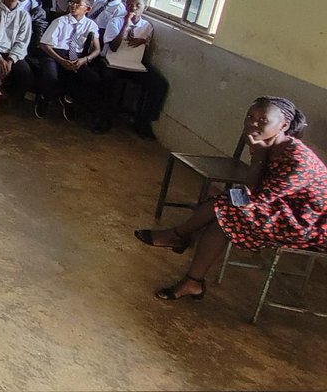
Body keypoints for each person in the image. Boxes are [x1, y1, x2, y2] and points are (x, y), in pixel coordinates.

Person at [134, 97, 325, 302]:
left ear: (284, 125)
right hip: (279, 207)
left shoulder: (297, 160)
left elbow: (253, 197)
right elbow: (250, 194)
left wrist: (258, 158)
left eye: (263, 120)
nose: (253, 123)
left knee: (224, 210)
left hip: (308, 225)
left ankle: (179, 238)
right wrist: (258, 156)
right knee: (223, 215)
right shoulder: (269, 144)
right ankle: (192, 279)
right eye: (250, 117)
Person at [89, 0, 168, 137]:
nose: (134, 8)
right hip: (112, 62)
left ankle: (143, 121)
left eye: (138, 5)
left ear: (145, 8)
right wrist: (125, 26)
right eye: (130, 5)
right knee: (107, 81)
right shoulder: (116, 21)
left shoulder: (147, 26)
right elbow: (113, 47)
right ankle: (103, 119)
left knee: (158, 84)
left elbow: (143, 51)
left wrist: (143, 41)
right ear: (125, 7)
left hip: (133, 64)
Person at [35, 0, 101, 120]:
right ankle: (45, 98)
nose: (73, 5)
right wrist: (61, 60)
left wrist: (84, 59)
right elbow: (44, 45)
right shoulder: (60, 21)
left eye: (78, 3)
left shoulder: (91, 25)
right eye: (72, 2)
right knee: (51, 77)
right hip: (54, 54)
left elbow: (97, 49)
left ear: (87, 9)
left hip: (76, 56)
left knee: (92, 78)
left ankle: (69, 99)